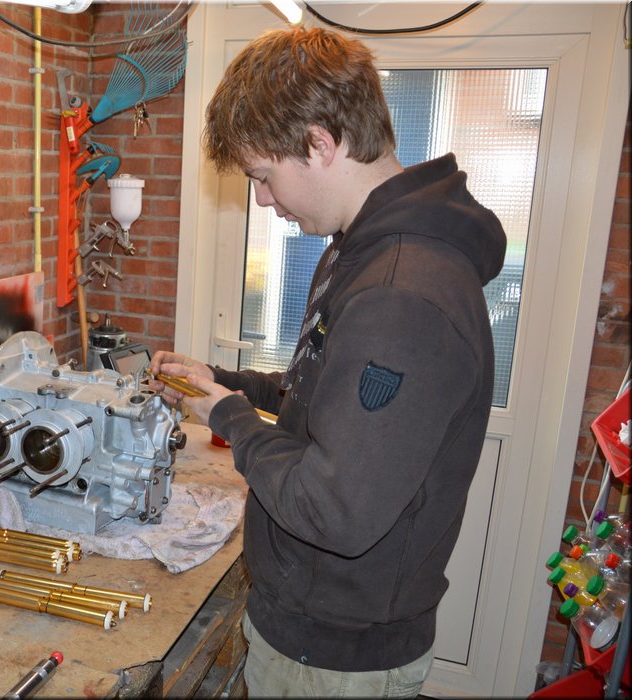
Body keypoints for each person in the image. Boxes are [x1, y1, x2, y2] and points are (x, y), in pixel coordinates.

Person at [150, 26, 506, 698]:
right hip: (307, 627)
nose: (262, 199)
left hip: (335, 659)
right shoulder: (357, 253)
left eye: (262, 176)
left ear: (319, 142)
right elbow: (323, 399)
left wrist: (229, 417)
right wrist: (224, 382)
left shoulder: (401, 294)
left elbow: (333, 511)